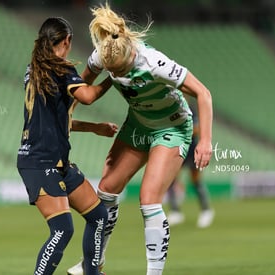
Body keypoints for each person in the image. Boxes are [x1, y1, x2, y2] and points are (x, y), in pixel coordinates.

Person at [67, 3, 213, 275]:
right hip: (138, 124)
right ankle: (94, 262)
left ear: (129, 55)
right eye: (113, 72)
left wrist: (204, 141)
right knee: (107, 189)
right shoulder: (103, 55)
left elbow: (203, 93)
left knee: (148, 199)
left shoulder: (154, 63)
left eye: (120, 70)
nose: (118, 75)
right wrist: (65, 117)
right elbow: (79, 87)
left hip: (172, 127)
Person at [17, 17, 118, 275]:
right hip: (40, 163)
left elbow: (58, 120)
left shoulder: (36, 70)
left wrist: (94, 128)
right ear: (67, 41)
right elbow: (88, 96)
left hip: (55, 162)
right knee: (63, 228)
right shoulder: (59, 68)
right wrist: (114, 76)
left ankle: (91, 273)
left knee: (98, 217)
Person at [166, 101, 214, 228]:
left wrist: (179, 131)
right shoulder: (170, 108)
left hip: (192, 148)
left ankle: (206, 210)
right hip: (177, 148)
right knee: (171, 180)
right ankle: (175, 211)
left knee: (196, 181)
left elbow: (197, 129)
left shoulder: (190, 109)